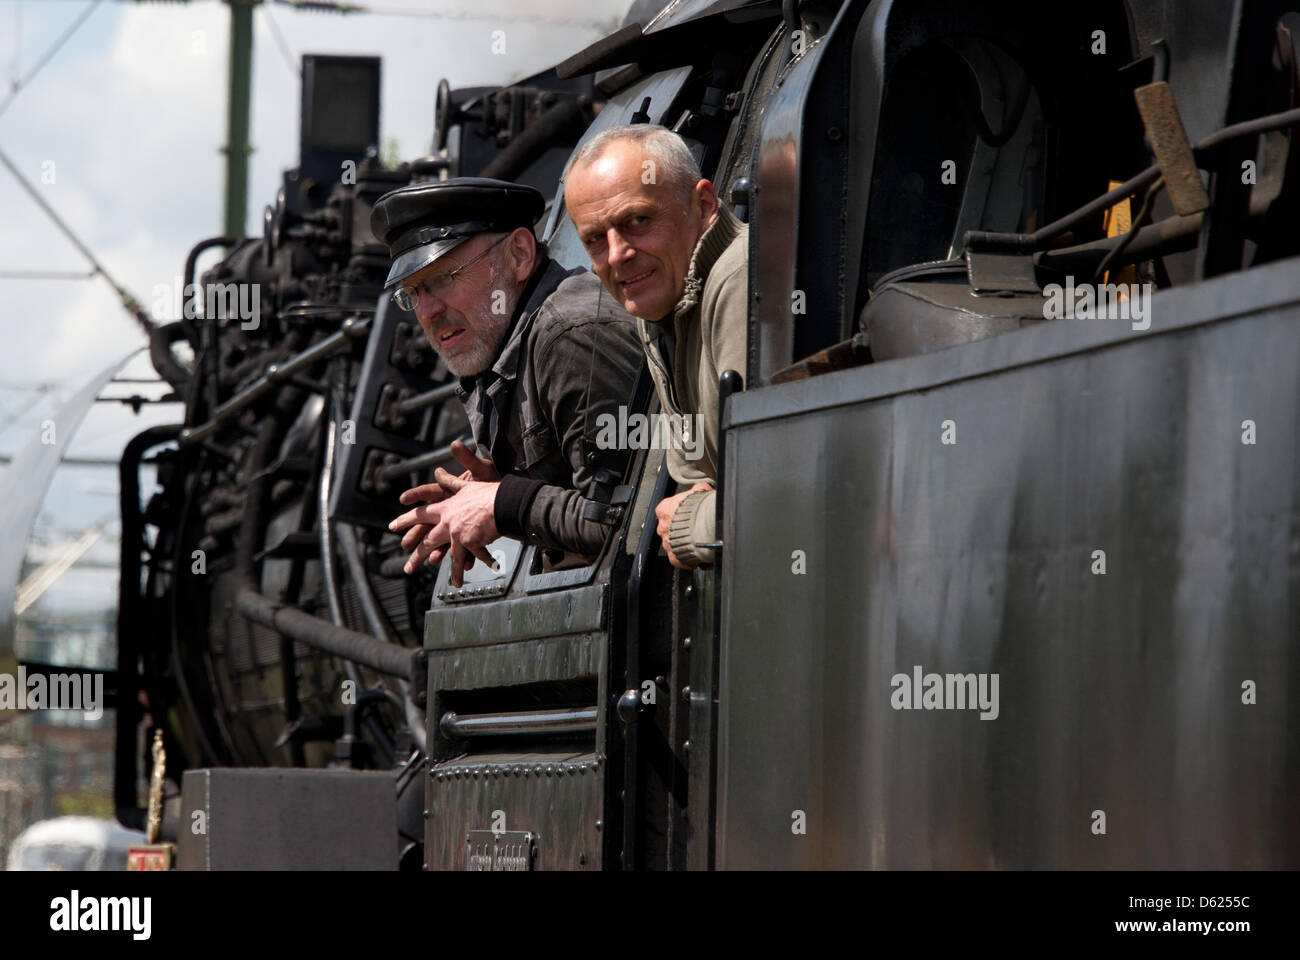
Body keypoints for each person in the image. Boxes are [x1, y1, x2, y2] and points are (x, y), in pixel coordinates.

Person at [370, 177, 646, 585]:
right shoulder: (506, 344)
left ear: (518, 254)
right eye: (412, 292)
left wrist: (504, 503)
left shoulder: (572, 337)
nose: (426, 310)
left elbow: (627, 524)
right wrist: (494, 493)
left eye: (445, 276)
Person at [562, 125, 747, 569]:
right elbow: (699, 475)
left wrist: (691, 524)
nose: (617, 254)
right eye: (594, 239)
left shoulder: (741, 281)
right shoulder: (660, 298)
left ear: (702, 205)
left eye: (637, 221)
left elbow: (789, 499)